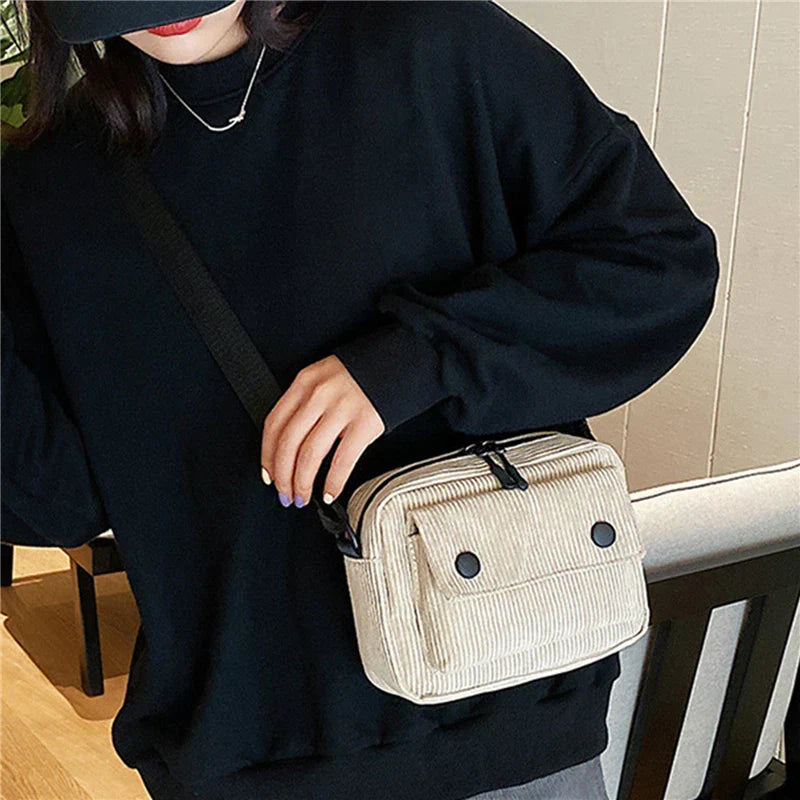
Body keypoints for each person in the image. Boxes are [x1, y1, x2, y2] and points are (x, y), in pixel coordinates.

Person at [0, 2, 720, 798]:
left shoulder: (430, 48)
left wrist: (413, 360)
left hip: (501, 718)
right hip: (246, 753)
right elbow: (55, 498)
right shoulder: (54, 182)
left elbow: (657, 262)